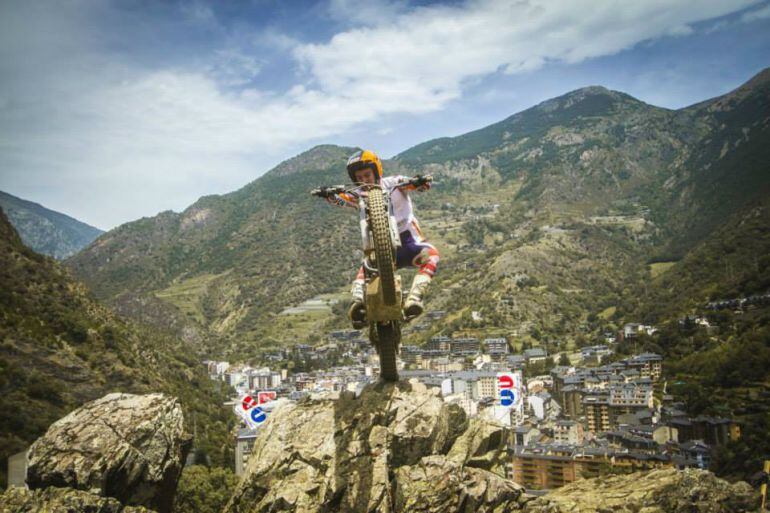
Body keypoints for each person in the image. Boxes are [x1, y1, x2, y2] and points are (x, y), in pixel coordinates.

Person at [322, 149, 439, 328]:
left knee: (432, 255)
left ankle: (414, 298)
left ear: (376, 171)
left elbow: (413, 185)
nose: (364, 180)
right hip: (380, 249)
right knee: (366, 266)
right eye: (359, 177)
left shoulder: (393, 183)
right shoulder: (358, 194)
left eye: (367, 174)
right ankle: (357, 301)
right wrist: (329, 195)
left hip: (409, 243)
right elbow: (342, 200)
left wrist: (419, 182)